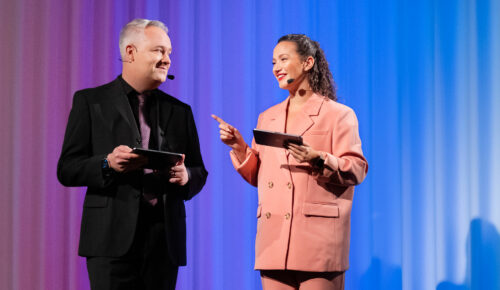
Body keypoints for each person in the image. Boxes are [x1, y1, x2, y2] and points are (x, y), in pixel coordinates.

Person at [57, 18, 207, 290]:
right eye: (159, 51)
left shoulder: (180, 111)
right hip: (109, 241)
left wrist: (186, 176)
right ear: (130, 52)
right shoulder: (91, 102)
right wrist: (107, 163)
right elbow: (67, 168)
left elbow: (199, 171)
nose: (166, 59)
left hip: (164, 242)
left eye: (169, 53)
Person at [212, 34, 368, 289]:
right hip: (273, 241)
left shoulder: (339, 115)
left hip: (318, 240)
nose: (276, 68)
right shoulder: (267, 117)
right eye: (273, 62)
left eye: (283, 59)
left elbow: (357, 169)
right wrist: (239, 147)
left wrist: (318, 158)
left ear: (307, 62)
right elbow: (259, 177)